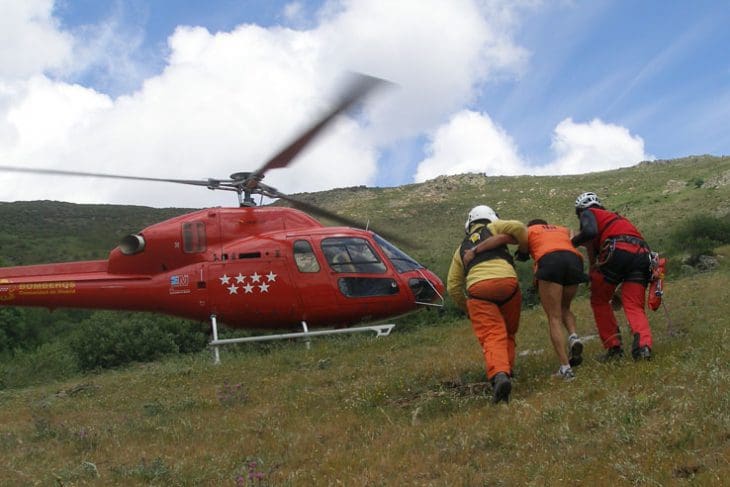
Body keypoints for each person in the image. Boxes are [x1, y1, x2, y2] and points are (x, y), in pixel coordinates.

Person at [464, 219, 587, 380]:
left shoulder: (530, 231)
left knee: (554, 317)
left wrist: (475, 250)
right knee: (565, 308)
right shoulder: (561, 229)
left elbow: (501, 239)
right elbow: (576, 236)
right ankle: (573, 336)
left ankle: (566, 369)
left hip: (549, 260)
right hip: (574, 260)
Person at [447, 205, 528, 404]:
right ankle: (508, 370)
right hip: (508, 284)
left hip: (478, 291)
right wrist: (523, 250)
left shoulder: (460, 249)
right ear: (491, 218)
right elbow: (519, 227)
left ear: (469, 224)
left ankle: (500, 375)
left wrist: (467, 308)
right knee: (508, 331)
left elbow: (453, 286)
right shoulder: (495, 228)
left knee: (492, 334)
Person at [571, 192, 653, 361]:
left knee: (599, 300)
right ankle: (643, 347)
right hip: (642, 255)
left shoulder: (588, 213)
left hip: (617, 251)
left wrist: (571, 243)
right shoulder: (616, 218)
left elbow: (589, 231)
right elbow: (594, 256)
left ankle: (613, 347)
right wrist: (593, 273)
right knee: (634, 305)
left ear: (580, 210)